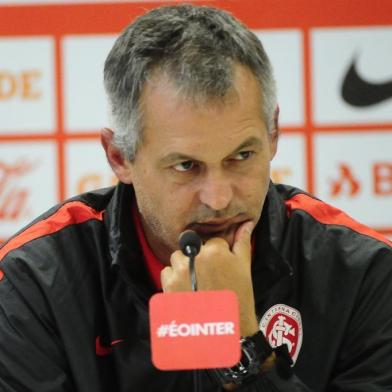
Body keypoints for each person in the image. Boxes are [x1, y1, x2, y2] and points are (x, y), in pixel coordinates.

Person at [0, 4, 391, 392]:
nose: (219, 199)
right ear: (120, 157)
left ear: (273, 135)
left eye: (241, 156)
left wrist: (242, 345)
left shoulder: (364, 276)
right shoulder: (33, 285)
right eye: (186, 165)